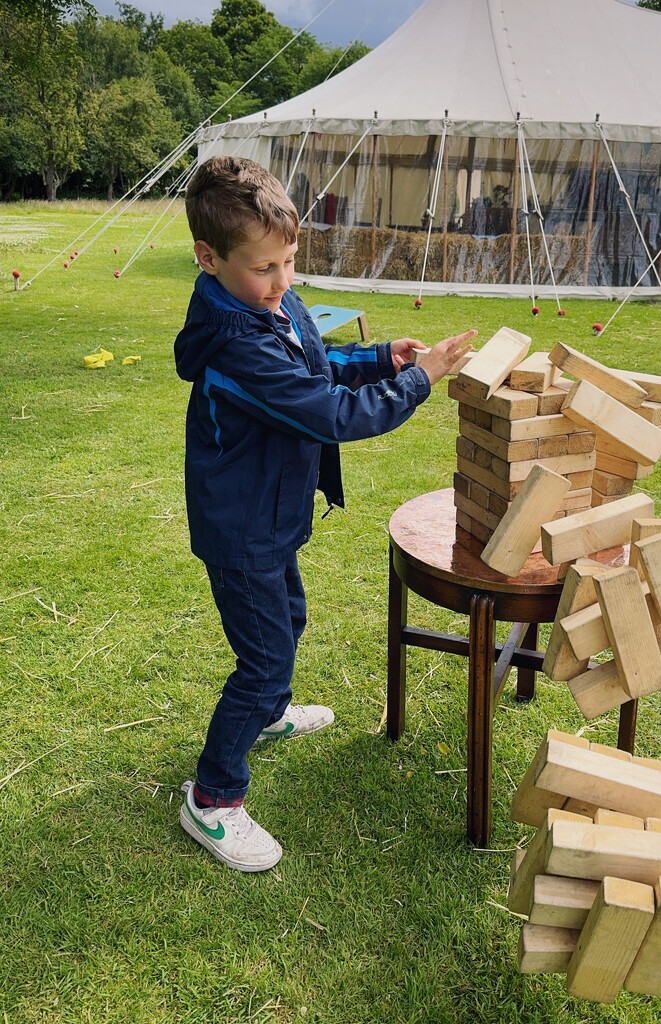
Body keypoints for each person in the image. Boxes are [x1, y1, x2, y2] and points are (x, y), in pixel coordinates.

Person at [174, 155, 475, 872]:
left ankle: (269, 713)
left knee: (290, 619)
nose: (282, 285)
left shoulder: (269, 306)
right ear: (209, 258)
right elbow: (332, 414)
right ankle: (213, 798)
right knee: (265, 654)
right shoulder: (235, 345)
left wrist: (379, 356)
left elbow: (318, 362)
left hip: (270, 516)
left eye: (289, 264)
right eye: (264, 269)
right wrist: (420, 379)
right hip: (241, 527)